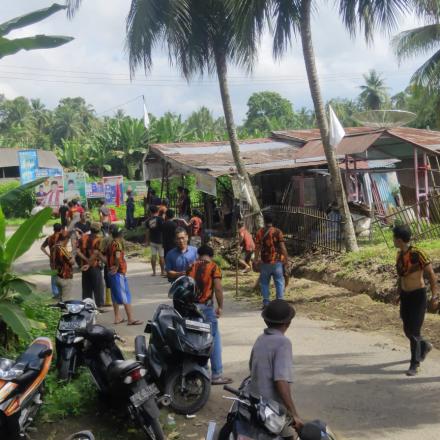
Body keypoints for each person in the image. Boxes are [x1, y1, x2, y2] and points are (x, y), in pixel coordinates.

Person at [249, 299, 303, 437]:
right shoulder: (283, 343)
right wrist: (294, 414)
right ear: (288, 323)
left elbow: (251, 367)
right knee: (294, 434)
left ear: (266, 321)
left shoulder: (260, 338)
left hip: (254, 402)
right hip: (270, 410)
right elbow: (281, 381)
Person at [393, 225, 439, 376]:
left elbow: (431, 275)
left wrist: (434, 296)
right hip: (406, 296)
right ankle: (424, 345)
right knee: (407, 329)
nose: (393, 240)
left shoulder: (418, 253)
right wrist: (399, 294)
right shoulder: (399, 255)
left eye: (394, 238)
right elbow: (401, 277)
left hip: (418, 296)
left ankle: (415, 363)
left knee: (414, 331)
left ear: (399, 240)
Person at [187, 245, 232, 385]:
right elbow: (218, 288)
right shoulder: (213, 267)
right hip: (206, 308)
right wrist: (220, 307)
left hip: (191, 308)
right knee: (213, 339)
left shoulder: (190, 267)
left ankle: (200, 372)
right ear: (211, 255)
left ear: (198, 254)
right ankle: (217, 374)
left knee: (195, 340)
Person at [106, 227, 142, 325]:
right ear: (120, 234)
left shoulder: (110, 243)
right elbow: (117, 256)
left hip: (111, 272)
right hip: (119, 272)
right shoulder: (117, 244)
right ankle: (130, 318)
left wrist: (111, 266)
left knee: (114, 295)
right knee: (125, 295)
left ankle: (117, 317)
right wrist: (117, 266)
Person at [254, 213, 288, 307]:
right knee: (279, 281)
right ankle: (280, 302)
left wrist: (255, 260)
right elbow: (282, 247)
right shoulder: (278, 232)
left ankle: (266, 303)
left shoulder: (260, 232)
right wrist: (286, 259)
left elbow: (257, 248)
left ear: (264, 220)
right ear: (272, 221)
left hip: (265, 262)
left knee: (264, 283)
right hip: (277, 262)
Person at [77, 222, 104, 308]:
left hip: (84, 266)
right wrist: (89, 262)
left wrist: (85, 260)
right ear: (99, 230)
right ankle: (99, 305)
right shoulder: (99, 239)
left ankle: (87, 306)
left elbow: (77, 251)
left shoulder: (82, 238)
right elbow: (96, 253)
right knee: (98, 287)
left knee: (86, 288)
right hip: (95, 266)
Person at [41, 223, 63, 298]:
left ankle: (55, 293)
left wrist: (48, 254)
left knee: (54, 277)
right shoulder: (62, 238)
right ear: (61, 230)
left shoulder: (49, 238)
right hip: (61, 260)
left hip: (52, 260)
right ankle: (60, 293)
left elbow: (42, 247)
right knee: (61, 276)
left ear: (53, 229)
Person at [53, 231, 75, 301]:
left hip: (57, 275)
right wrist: (74, 253)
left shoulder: (54, 247)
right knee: (66, 300)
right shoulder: (63, 249)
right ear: (66, 239)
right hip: (65, 277)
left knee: (61, 299)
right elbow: (72, 262)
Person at [145, 205, 165, 276]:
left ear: (150, 212)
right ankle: (162, 271)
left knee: (153, 256)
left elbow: (147, 232)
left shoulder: (148, 220)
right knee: (161, 256)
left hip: (152, 241)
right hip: (160, 241)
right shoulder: (161, 219)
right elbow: (163, 230)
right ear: (157, 211)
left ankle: (154, 272)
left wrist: (147, 241)